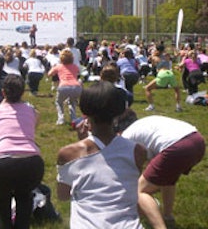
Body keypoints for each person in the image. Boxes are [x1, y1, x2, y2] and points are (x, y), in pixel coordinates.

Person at [56, 81, 146, 229]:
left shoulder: (68, 154)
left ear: (85, 109)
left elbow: (63, 195)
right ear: (120, 110)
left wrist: (83, 142)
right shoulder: (138, 151)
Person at [117, 110, 205, 229]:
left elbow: (130, 169)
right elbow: (153, 164)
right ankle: (168, 217)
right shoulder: (144, 123)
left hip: (177, 147)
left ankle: (160, 227)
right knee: (167, 179)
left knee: (140, 191)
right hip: (198, 141)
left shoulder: (126, 136)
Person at [0, 74, 44, 229]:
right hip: (31, 161)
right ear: (23, 92)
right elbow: (32, 128)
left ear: (3, 92)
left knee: (2, 200)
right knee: (24, 197)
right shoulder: (34, 112)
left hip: (1, 163)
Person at [47, 49, 82, 126]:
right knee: (72, 102)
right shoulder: (75, 66)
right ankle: (74, 118)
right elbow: (79, 72)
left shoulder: (58, 66)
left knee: (59, 102)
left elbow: (49, 74)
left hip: (64, 86)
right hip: (77, 87)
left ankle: (61, 118)